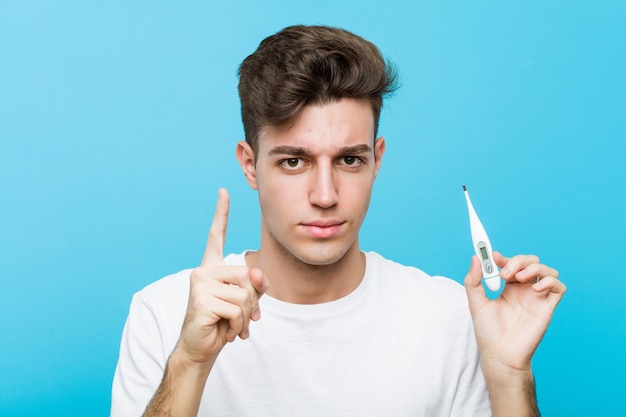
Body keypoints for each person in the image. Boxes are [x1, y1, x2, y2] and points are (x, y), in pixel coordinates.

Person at [111, 25, 566, 417]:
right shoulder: (165, 314)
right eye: (293, 162)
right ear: (250, 165)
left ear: (377, 160)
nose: (325, 196)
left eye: (349, 160)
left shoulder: (452, 317)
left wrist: (509, 376)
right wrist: (190, 361)